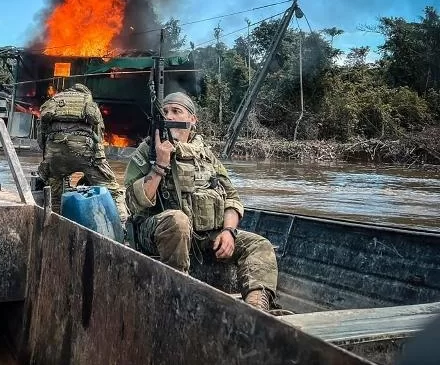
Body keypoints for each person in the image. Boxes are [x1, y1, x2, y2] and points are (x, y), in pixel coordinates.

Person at [123, 91, 278, 311]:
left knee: (258, 244)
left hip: (203, 236)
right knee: (178, 220)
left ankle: (257, 307)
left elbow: (232, 198)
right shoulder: (147, 150)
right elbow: (132, 202)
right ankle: (178, 294)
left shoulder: (206, 155)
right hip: (156, 233)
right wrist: (159, 165)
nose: (170, 116)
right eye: (165, 112)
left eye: (176, 111)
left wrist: (229, 232)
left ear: (192, 119)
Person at [36, 83, 128, 224]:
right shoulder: (88, 102)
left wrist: (49, 159)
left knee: (55, 195)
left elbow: (41, 134)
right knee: (111, 188)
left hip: (54, 152)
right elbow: (99, 135)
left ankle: (54, 223)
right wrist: (99, 162)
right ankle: (123, 223)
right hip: (83, 151)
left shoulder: (54, 101)